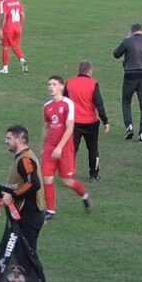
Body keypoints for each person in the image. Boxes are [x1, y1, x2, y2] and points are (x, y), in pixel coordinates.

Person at [41, 76, 90, 219]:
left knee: (67, 181)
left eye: (54, 84)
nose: (51, 87)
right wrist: (44, 146)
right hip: (50, 148)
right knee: (47, 178)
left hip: (64, 149)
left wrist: (59, 147)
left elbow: (70, 128)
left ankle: (84, 195)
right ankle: (51, 211)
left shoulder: (68, 104)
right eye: (49, 84)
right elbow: (46, 127)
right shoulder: (47, 106)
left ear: (61, 87)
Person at [0, 125, 45, 253]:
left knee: (27, 255)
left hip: (29, 215)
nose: (6, 141)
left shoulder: (25, 159)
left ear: (19, 139)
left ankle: (34, 274)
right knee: (22, 255)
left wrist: (13, 195)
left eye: (9, 138)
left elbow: (33, 183)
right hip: (27, 214)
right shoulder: (22, 157)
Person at [64, 61, 110, 182]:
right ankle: (94, 175)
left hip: (74, 123)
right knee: (93, 148)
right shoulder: (93, 84)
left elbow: (64, 102)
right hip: (91, 122)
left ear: (79, 70)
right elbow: (99, 103)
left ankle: (70, 173)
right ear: (90, 71)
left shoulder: (69, 83)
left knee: (72, 149)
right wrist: (105, 121)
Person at [112, 23, 142, 141]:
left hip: (130, 75)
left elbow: (116, 54)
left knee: (126, 101)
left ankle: (129, 126)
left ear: (131, 31)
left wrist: (126, 39)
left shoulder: (127, 41)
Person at [0, 0, 27, 75]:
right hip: (17, 28)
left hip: (8, 28)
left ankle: (5, 68)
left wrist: (1, 29)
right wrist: (20, 26)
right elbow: (23, 15)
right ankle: (22, 60)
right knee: (15, 46)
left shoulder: (4, 2)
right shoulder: (18, 1)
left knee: (5, 47)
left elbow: (4, 16)